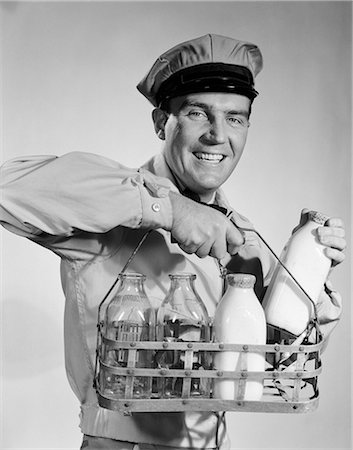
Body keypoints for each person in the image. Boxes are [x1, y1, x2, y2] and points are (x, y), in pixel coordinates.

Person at [0, 34, 346, 450]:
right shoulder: (108, 214)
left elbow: (277, 366)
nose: (219, 136)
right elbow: (7, 188)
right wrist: (171, 210)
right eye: (199, 113)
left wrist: (308, 273)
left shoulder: (245, 239)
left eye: (235, 118)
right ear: (162, 122)